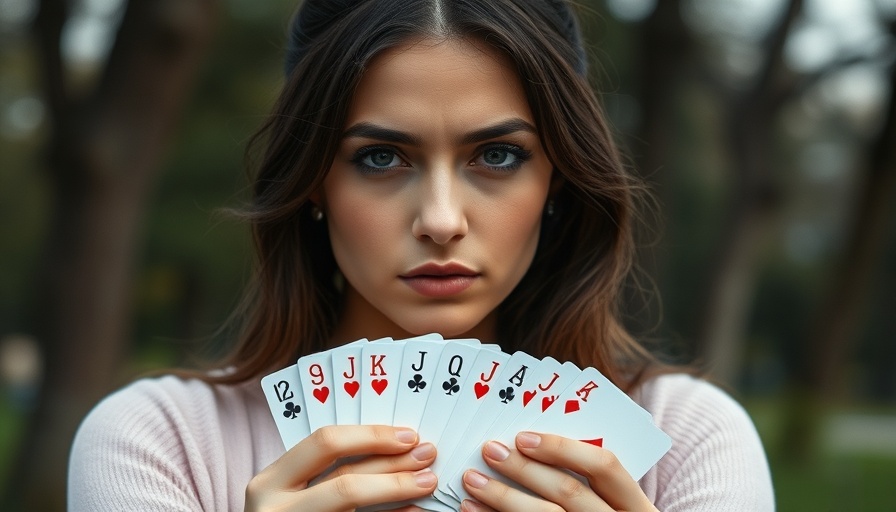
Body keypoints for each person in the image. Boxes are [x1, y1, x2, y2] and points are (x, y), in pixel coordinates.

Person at [68, 0, 774, 510]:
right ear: (315, 180)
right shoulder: (158, 441)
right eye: (381, 157)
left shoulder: (688, 439)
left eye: (498, 155)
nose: (441, 220)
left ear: (556, 176)